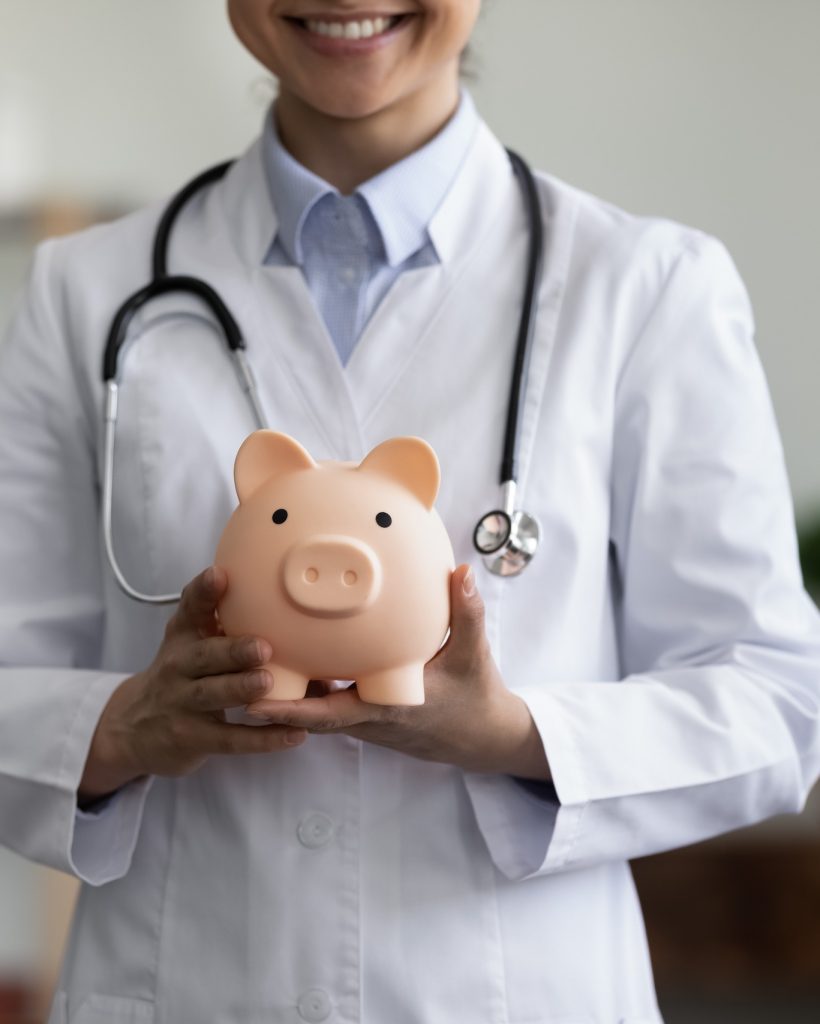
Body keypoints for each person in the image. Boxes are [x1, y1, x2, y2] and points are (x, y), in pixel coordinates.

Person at [1, 2, 819, 1022]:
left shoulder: (648, 287)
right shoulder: (82, 291)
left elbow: (776, 701)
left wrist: (513, 736)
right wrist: (125, 727)